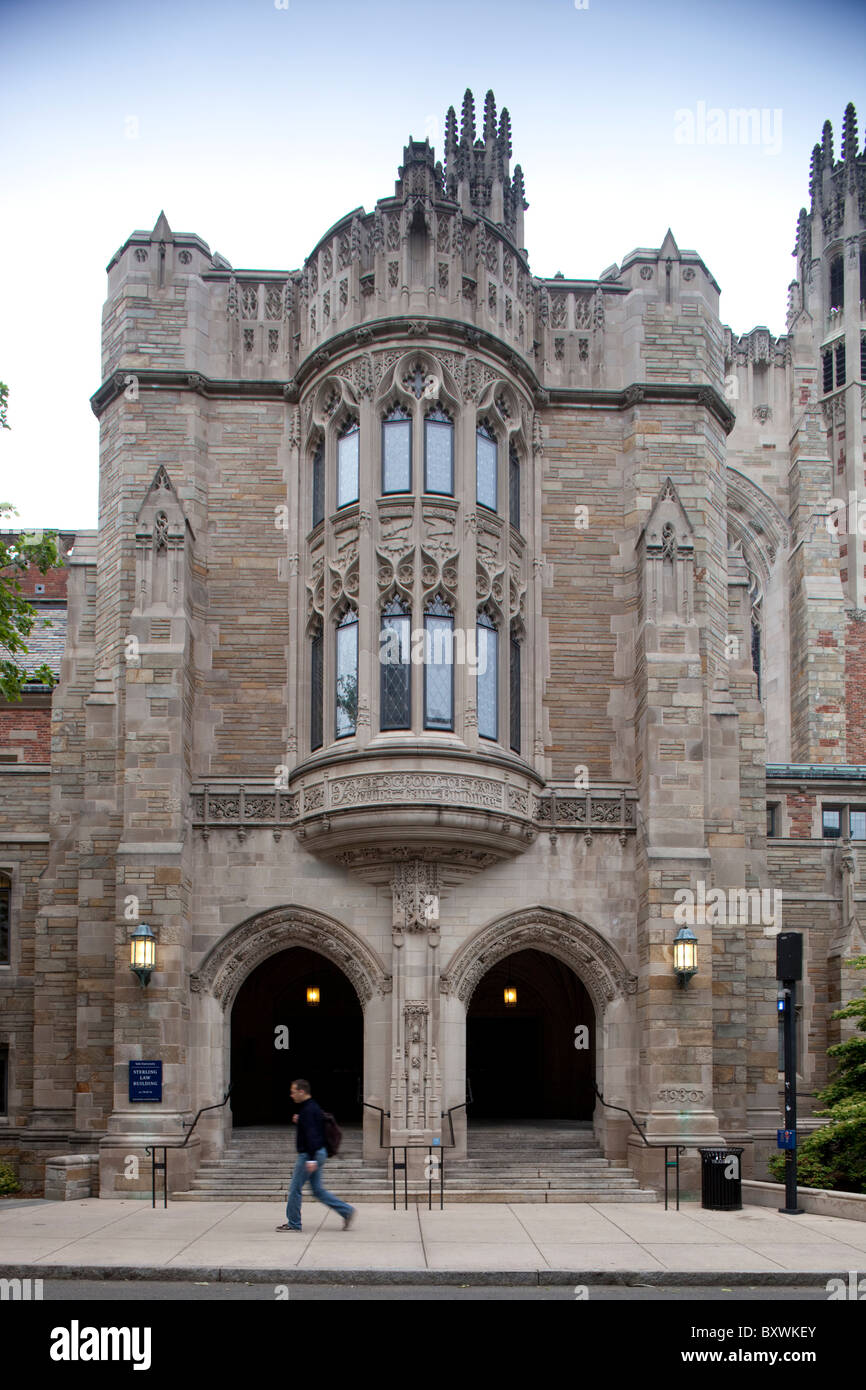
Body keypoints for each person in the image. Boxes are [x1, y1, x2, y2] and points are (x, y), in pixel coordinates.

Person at [275, 1079, 356, 1232]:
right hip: (318, 1152)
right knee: (318, 1190)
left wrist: (311, 1159)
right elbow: (316, 1127)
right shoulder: (311, 1107)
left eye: (293, 1091)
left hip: (309, 1154)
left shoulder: (308, 1110)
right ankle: (346, 1211)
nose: (291, 1095)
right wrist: (300, 1121)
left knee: (294, 1189)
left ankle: (293, 1224)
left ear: (301, 1091)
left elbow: (313, 1136)